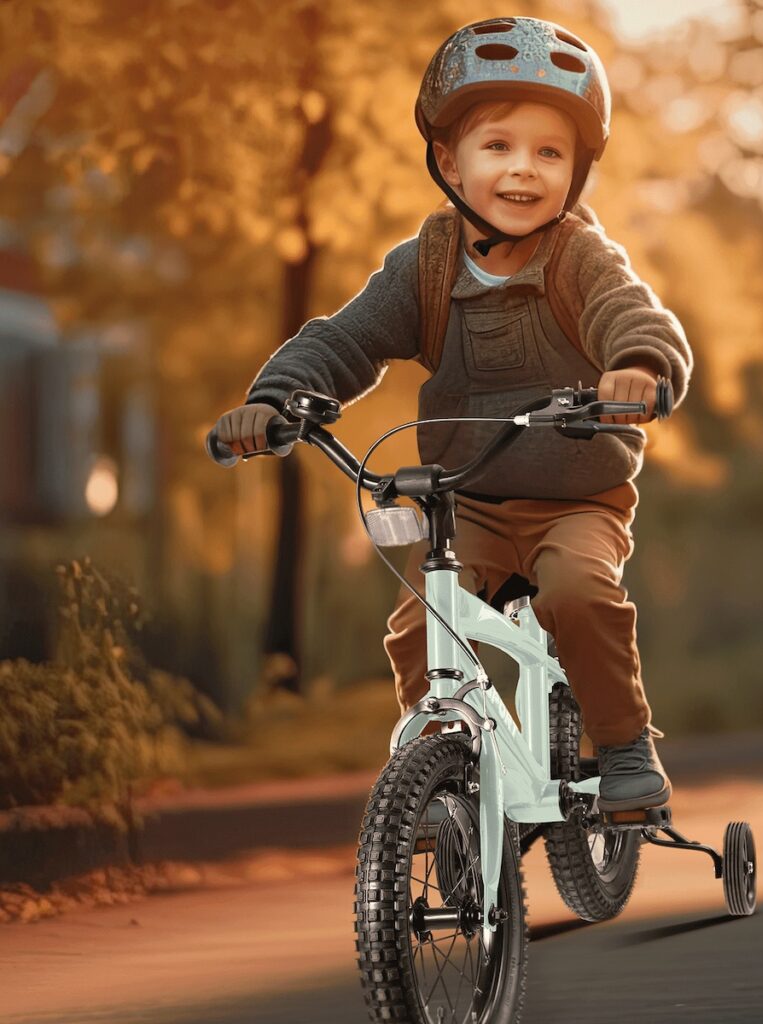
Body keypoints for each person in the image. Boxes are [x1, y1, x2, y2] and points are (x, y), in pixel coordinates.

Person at [212, 17, 692, 811]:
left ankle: (623, 740)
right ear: (449, 160)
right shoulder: (426, 266)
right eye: (498, 147)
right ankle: (442, 770)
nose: (523, 171)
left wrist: (637, 368)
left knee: (577, 595)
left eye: (549, 153)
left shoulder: (579, 256)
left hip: (576, 498)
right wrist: (276, 401)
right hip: (465, 500)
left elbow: (630, 313)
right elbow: (346, 337)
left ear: (577, 172)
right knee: (419, 621)